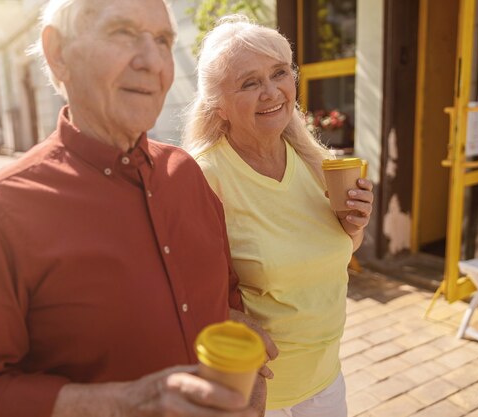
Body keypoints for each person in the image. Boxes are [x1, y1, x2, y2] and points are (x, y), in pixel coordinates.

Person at [0, 2, 264, 416]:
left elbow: (225, 293)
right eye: (123, 33)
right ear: (59, 53)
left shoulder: (185, 173)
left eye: (163, 40)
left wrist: (249, 373)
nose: (152, 61)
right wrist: (121, 403)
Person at [183, 16, 374, 417]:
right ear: (218, 103)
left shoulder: (315, 161)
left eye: (279, 73)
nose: (271, 92)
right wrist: (227, 317)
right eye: (249, 83)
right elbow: (182, 288)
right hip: (260, 394)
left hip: (326, 380)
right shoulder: (204, 177)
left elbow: (333, 251)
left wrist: (353, 228)